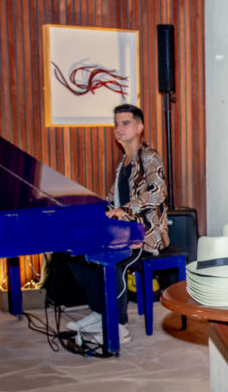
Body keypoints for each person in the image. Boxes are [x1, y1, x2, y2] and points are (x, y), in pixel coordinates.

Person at [62, 103, 169, 344]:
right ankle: (101, 312)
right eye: (116, 124)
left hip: (146, 234)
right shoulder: (123, 163)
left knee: (114, 258)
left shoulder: (149, 157)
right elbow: (111, 201)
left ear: (139, 127)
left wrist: (125, 210)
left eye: (125, 123)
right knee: (74, 253)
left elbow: (158, 192)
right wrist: (89, 210)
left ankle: (119, 325)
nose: (119, 129)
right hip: (124, 232)